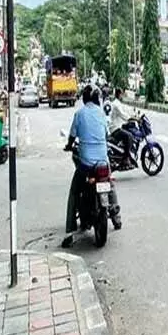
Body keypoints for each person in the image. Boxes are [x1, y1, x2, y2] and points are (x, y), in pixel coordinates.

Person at [63, 86, 121, 248]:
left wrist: (69, 145)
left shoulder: (79, 114)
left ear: (84, 99)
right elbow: (106, 134)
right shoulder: (101, 113)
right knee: (110, 183)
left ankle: (69, 229)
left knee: (75, 190)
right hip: (103, 160)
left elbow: (72, 136)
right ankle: (116, 217)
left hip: (87, 163)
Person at [108, 88, 135, 167]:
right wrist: (132, 118)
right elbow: (123, 114)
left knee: (127, 132)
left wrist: (133, 114)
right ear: (119, 94)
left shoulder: (117, 103)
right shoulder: (116, 104)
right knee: (129, 136)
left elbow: (125, 110)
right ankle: (126, 158)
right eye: (122, 94)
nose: (122, 96)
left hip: (115, 126)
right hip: (115, 128)